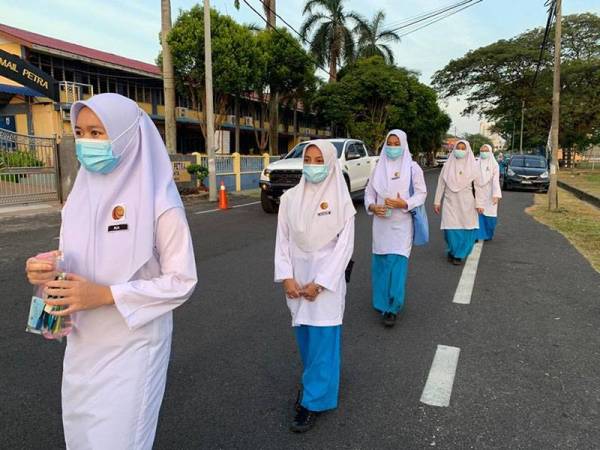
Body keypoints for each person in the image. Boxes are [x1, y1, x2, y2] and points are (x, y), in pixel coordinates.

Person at [25, 93, 197, 450]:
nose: (88, 142)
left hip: (132, 349)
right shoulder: (79, 196)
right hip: (82, 345)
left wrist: (106, 294)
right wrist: (47, 268)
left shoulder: (160, 201)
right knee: (82, 439)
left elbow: (182, 281)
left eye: (99, 132)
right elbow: (73, 257)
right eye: (81, 131)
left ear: (126, 135)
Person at [274, 140, 355, 433]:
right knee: (306, 339)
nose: (312, 164)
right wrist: (286, 277)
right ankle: (315, 383)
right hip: (297, 281)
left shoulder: (342, 201)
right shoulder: (290, 199)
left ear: (331, 163)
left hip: (325, 283)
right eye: (308, 158)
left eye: (318, 160)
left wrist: (320, 283)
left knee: (323, 339)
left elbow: (344, 247)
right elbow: (282, 240)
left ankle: (313, 401)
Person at [364, 130, 427, 327]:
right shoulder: (378, 167)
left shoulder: (413, 168)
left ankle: (393, 307)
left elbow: (421, 194)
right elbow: (369, 193)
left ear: (404, 144)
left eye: (396, 143)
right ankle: (381, 303)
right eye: (389, 143)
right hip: (381, 224)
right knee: (381, 266)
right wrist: (373, 207)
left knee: (397, 266)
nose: (392, 147)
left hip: (401, 225)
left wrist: (404, 203)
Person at [433, 139, 484, 265]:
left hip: (468, 204)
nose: (460, 151)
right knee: (450, 229)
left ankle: (459, 255)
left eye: (463, 148)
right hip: (450, 202)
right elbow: (441, 184)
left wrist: (480, 204)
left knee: (467, 229)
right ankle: (453, 250)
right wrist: (437, 201)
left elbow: (478, 187)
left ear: (467, 151)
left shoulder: (474, 167)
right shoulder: (447, 166)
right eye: (458, 148)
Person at [476, 144, 502, 241]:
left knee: (490, 215)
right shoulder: (476, 164)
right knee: (478, 214)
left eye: (486, 151)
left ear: (490, 152)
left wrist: (496, 195)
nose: (484, 153)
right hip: (478, 193)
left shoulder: (495, 165)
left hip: (490, 193)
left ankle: (488, 234)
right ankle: (478, 235)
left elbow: (496, 181)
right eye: (482, 151)